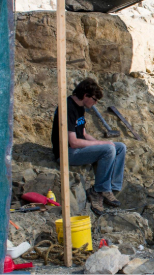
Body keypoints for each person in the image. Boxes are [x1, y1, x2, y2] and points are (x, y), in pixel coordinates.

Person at [50, 78, 127, 214]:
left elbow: (83, 134)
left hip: (76, 148)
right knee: (108, 149)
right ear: (86, 95)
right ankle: (98, 190)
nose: (95, 103)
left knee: (120, 147)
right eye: (95, 99)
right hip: (66, 153)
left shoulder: (80, 107)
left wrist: (101, 144)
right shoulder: (67, 108)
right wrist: (103, 145)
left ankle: (111, 188)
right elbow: (73, 142)